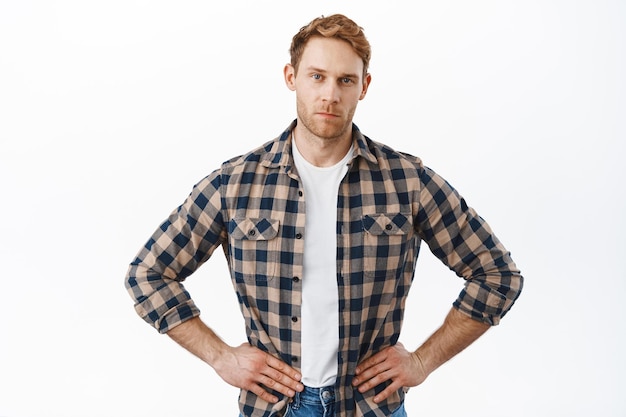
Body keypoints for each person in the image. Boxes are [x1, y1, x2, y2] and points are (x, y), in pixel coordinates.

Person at [125, 13, 523, 417]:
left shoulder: (406, 181)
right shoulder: (235, 184)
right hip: (276, 408)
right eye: (317, 76)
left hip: (371, 407)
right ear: (291, 76)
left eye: (345, 80)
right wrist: (220, 356)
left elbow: (497, 276)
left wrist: (422, 361)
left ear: (363, 86)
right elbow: (148, 275)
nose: (330, 94)